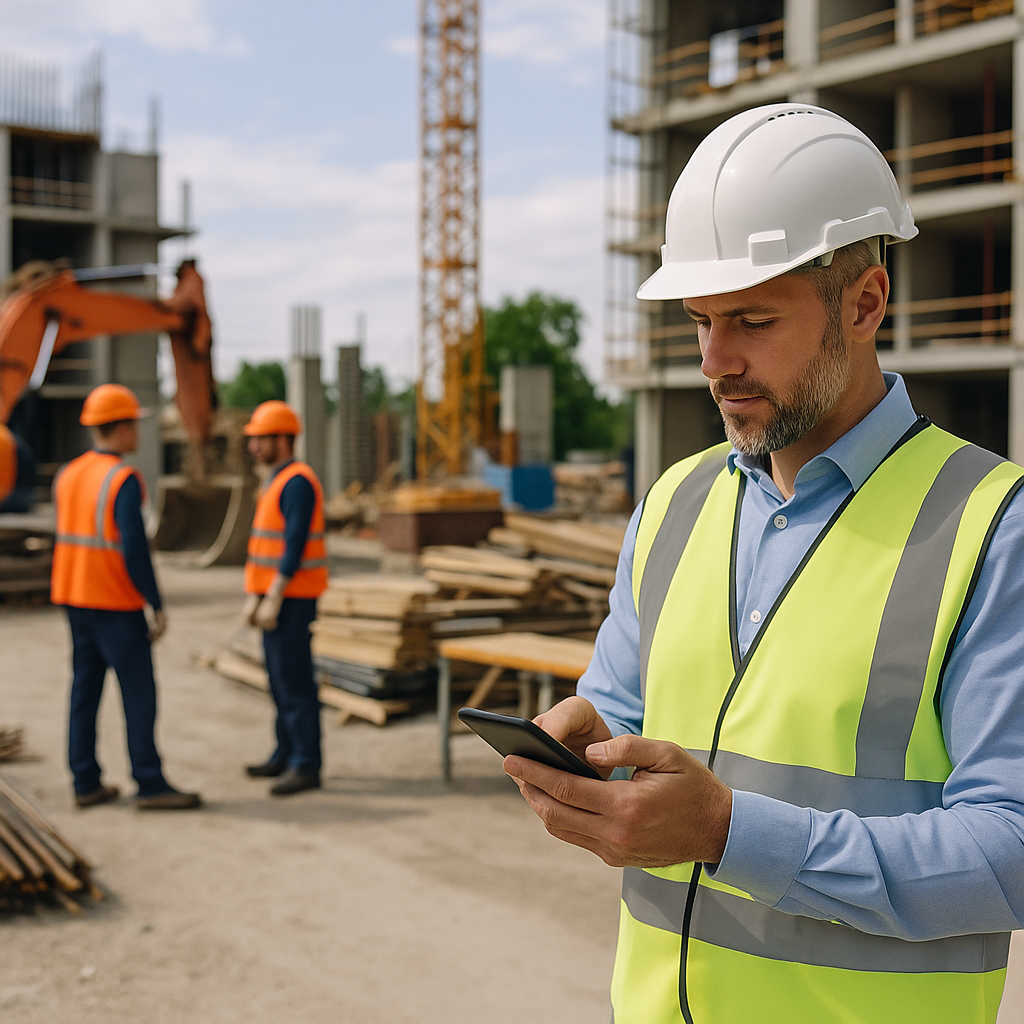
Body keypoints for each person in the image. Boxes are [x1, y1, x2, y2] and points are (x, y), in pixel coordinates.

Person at [505, 103, 1024, 1024]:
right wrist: (587, 741)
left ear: (865, 303)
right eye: (700, 321)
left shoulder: (991, 527)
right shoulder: (673, 504)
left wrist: (726, 831)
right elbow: (623, 707)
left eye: (751, 319)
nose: (715, 361)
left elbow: (1010, 850)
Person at [51, 384, 202, 810]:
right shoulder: (122, 479)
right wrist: (156, 602)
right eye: (133, 424)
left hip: (74, 598)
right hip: (114, 603)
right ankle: (150, 783)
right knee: (138, 694)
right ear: (120, 428)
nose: (137, 432)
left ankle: (85, 781)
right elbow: (135, 550)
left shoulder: (68, 474)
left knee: (85, 690)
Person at [242, 400, 328, 796]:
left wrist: (274, 594)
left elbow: (294, 544)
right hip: (275, 597)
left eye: (260, 439)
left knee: (294, 683)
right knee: (279, 681)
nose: (253, 446)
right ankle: (285, 752)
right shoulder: (276, 480)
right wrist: (255, 595)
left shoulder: (297, 481)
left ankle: (305, 763)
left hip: (292, 599)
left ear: (282, 439)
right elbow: (267, 547)